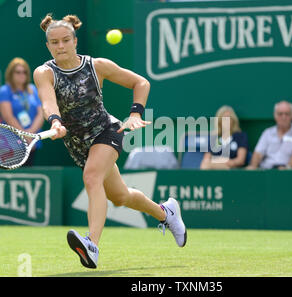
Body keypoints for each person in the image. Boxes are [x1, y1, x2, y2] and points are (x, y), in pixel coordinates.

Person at [33, 14, 186, 269]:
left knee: (92, 178)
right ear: (48, 45)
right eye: (54, 42)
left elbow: (140, 82)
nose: (60, 46)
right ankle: (166, 212)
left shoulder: (97, 65)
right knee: (120, 197)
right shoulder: (44, 72)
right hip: (78, 145)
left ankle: (91, 245)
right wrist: (55, 121)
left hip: (107, 131)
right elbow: (48, 99)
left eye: (65, 40)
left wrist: (135, 113)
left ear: (75, 40)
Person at [0, 58, 44, 166]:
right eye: (18, 72)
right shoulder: (5, 90)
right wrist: (25, 136)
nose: (22, 75)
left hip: (32, 141)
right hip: (10, 144)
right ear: (11, 73)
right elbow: (8, 116)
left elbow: (41, 114)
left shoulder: (33, 89)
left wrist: (30, 135)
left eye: (24, 72)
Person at [247, 101, 292, 169]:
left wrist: (287, 168)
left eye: (287, 114)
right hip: (267, 171)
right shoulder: (267, 132)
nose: (283, 117)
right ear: (275, 115)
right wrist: (253, 166)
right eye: (280, 114)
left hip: (288, 173)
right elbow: (258, 154)